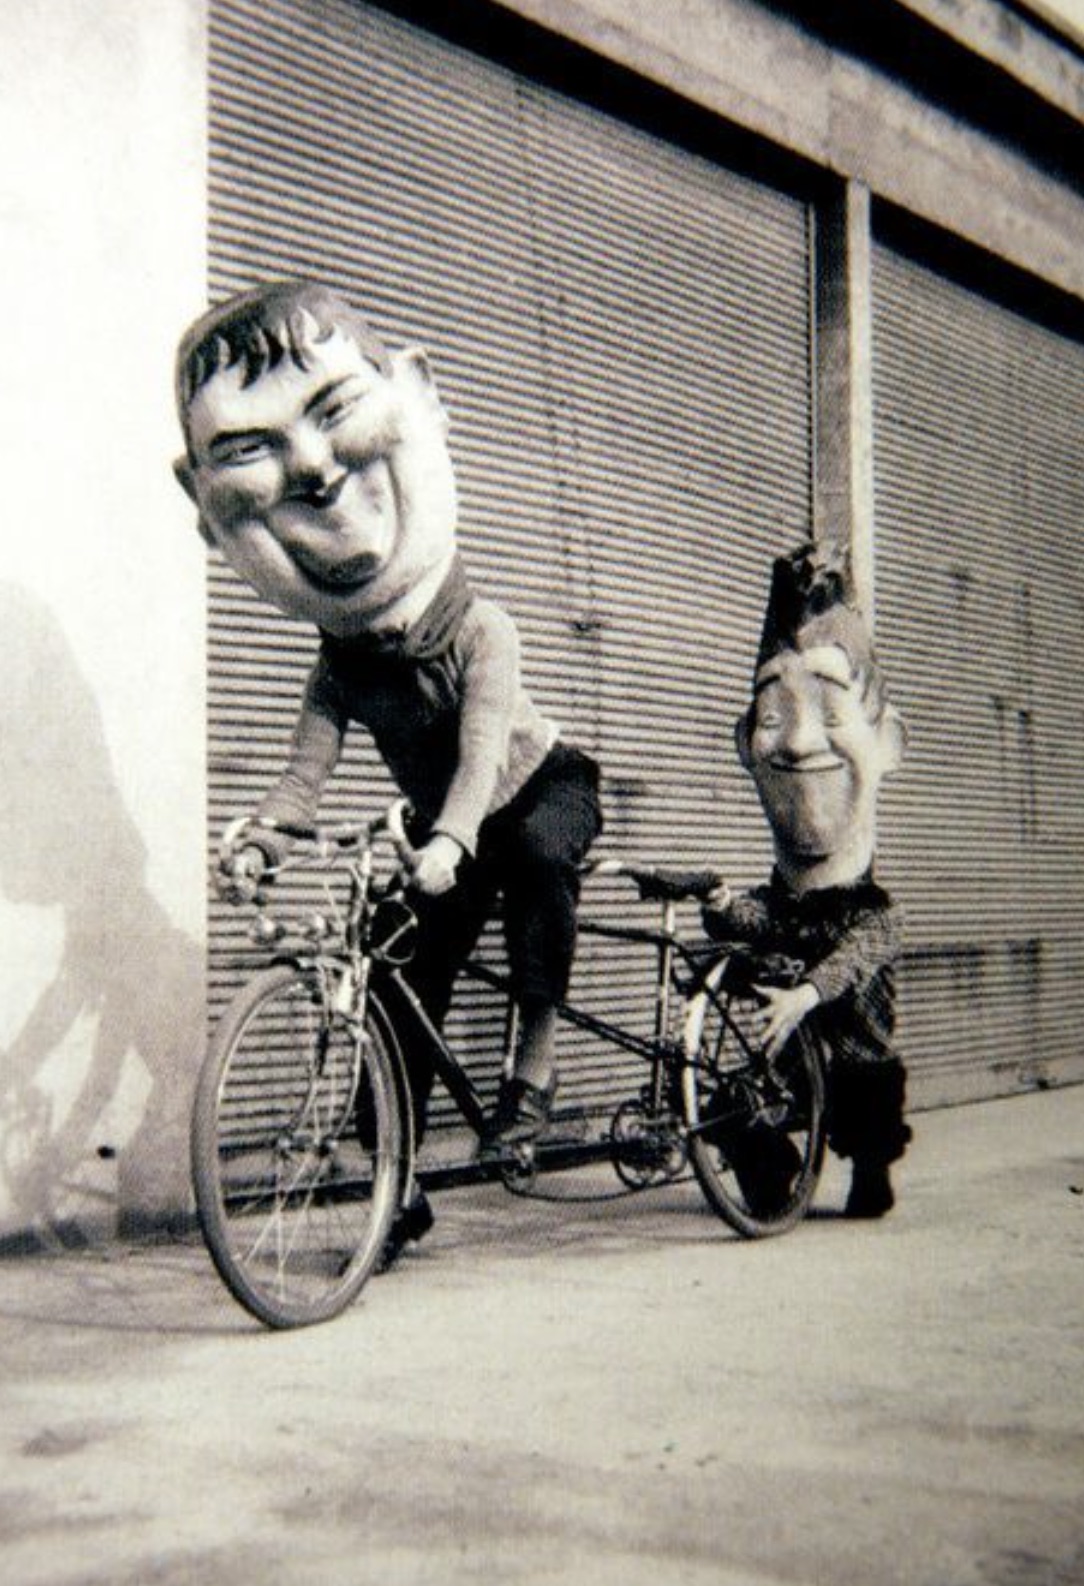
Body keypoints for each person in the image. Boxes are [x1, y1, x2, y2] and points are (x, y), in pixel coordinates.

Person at [173, 278, 603, 1261]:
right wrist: (260, 836)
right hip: (444, 831)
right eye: (249, 450)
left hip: (535, 786)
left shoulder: (482, 629)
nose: (315, 473)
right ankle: (393, 1184)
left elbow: (486, 747)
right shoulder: (338, 668)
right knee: (390, 973)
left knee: (539, 859)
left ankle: (532, 1067)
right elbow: (304, 773)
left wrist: (451, 835)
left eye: (333, 415)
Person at [702, 540, 912, 1218]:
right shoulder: (784, 903)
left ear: (888, 743)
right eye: (771, 717)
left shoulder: (874, 913)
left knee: (871, 1102)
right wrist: (722, 907)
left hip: (853, 1061)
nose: (796, 742)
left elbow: (852, 960)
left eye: (830, 713)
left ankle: (870, 1172)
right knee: (727, 1105)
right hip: (789, 1061)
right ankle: (773, 1179)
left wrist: (805, 995)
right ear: (745, 743)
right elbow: (761, 921)